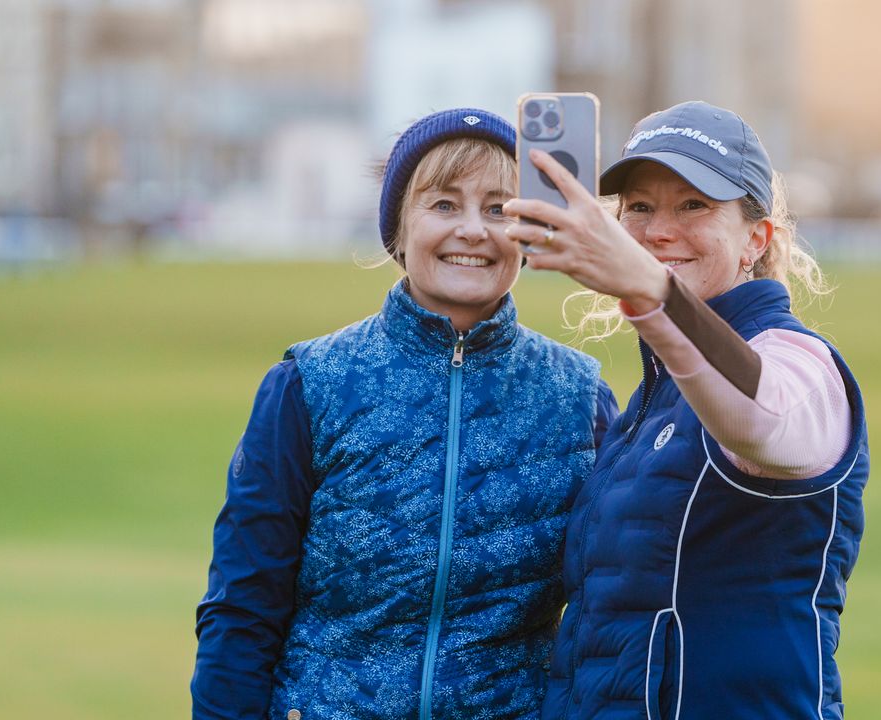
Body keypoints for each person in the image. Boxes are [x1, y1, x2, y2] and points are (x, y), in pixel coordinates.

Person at [191, 108, 617, 720]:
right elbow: (243, 607)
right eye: (443, 204)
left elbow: (609, 614)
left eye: (498, 209)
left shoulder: (580, 397)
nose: (473, 230)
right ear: (398, 227)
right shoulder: (308, 385)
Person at [503, 100, 870, 720]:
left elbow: (765, 423)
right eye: (639, 208)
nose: (658, 230)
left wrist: (651, 291)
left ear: (757, 238)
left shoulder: (797, 360)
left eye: (694, 205)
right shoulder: (650, 398)